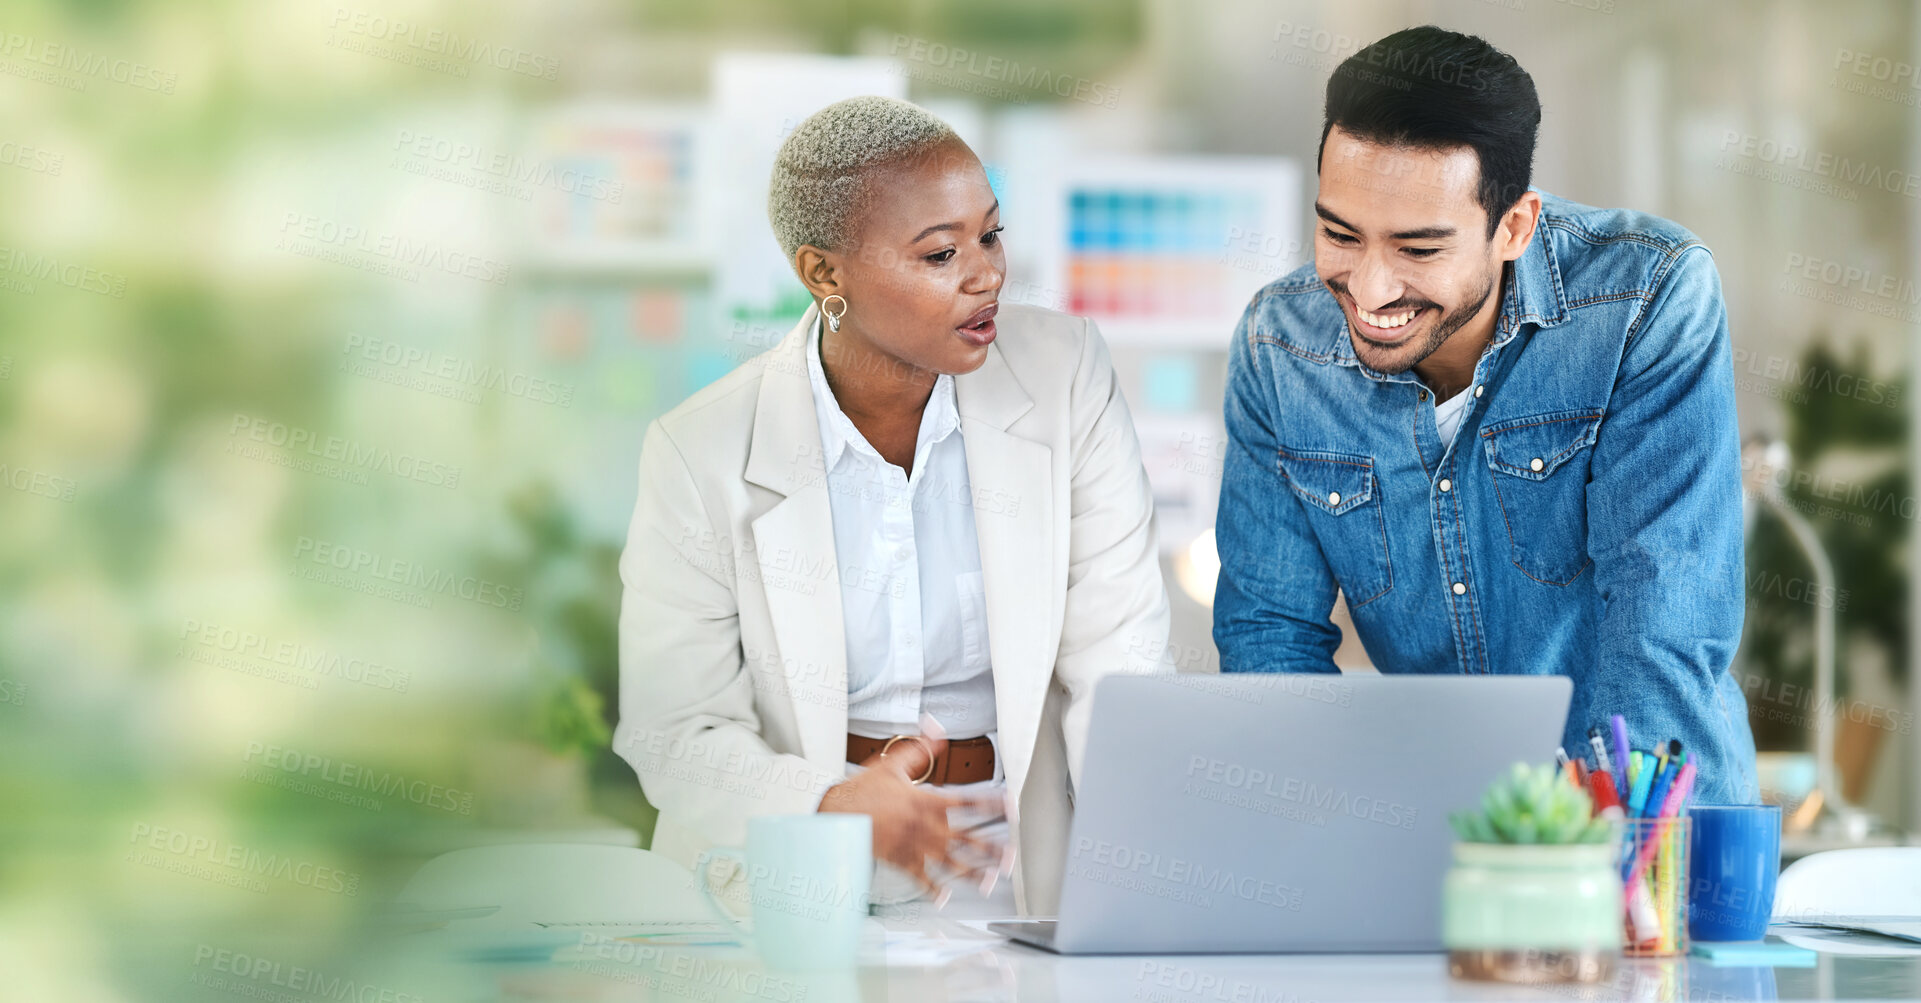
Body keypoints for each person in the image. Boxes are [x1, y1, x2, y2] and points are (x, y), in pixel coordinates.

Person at [617, 95, 1170, 916]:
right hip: (788, 876)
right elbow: (676, 730)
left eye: (990, 234)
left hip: (1009, 858)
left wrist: (1148, 874)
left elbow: (1116, 659)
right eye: (940, 253)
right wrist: (831, 803)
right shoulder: (700, 450)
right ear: (823, 274)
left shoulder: (1064, 373)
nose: (985, 274)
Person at [1213, 26, 1756, 804]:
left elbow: (1659, 630)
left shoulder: (1642, 302)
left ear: (1514, 226)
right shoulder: (1279, 348)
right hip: (1437, 842)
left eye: (1418, 249)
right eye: (1338, 233)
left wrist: (1610, 871)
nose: (1368, 291)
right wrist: (1303, 846)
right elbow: (1271, 642)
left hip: (1645, 839)